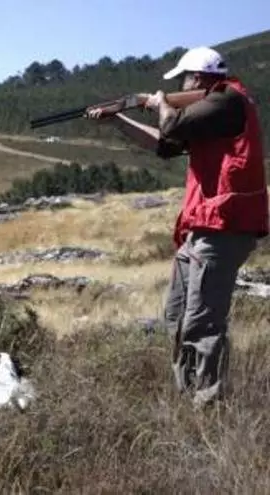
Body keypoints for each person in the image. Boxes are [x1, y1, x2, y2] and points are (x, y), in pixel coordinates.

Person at [86, 46, 269, 408]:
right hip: (204, 226)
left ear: (197, 79)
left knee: (203, 322)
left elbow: (170, 124)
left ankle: (208, 407)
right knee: (177, 314)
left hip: (222, 227)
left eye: (184, 79)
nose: (180, 86)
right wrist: (118, 119)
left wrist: (158, 103)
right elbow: (163, 144)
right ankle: (187, 398)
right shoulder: (210, 113)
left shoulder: (228, 100)